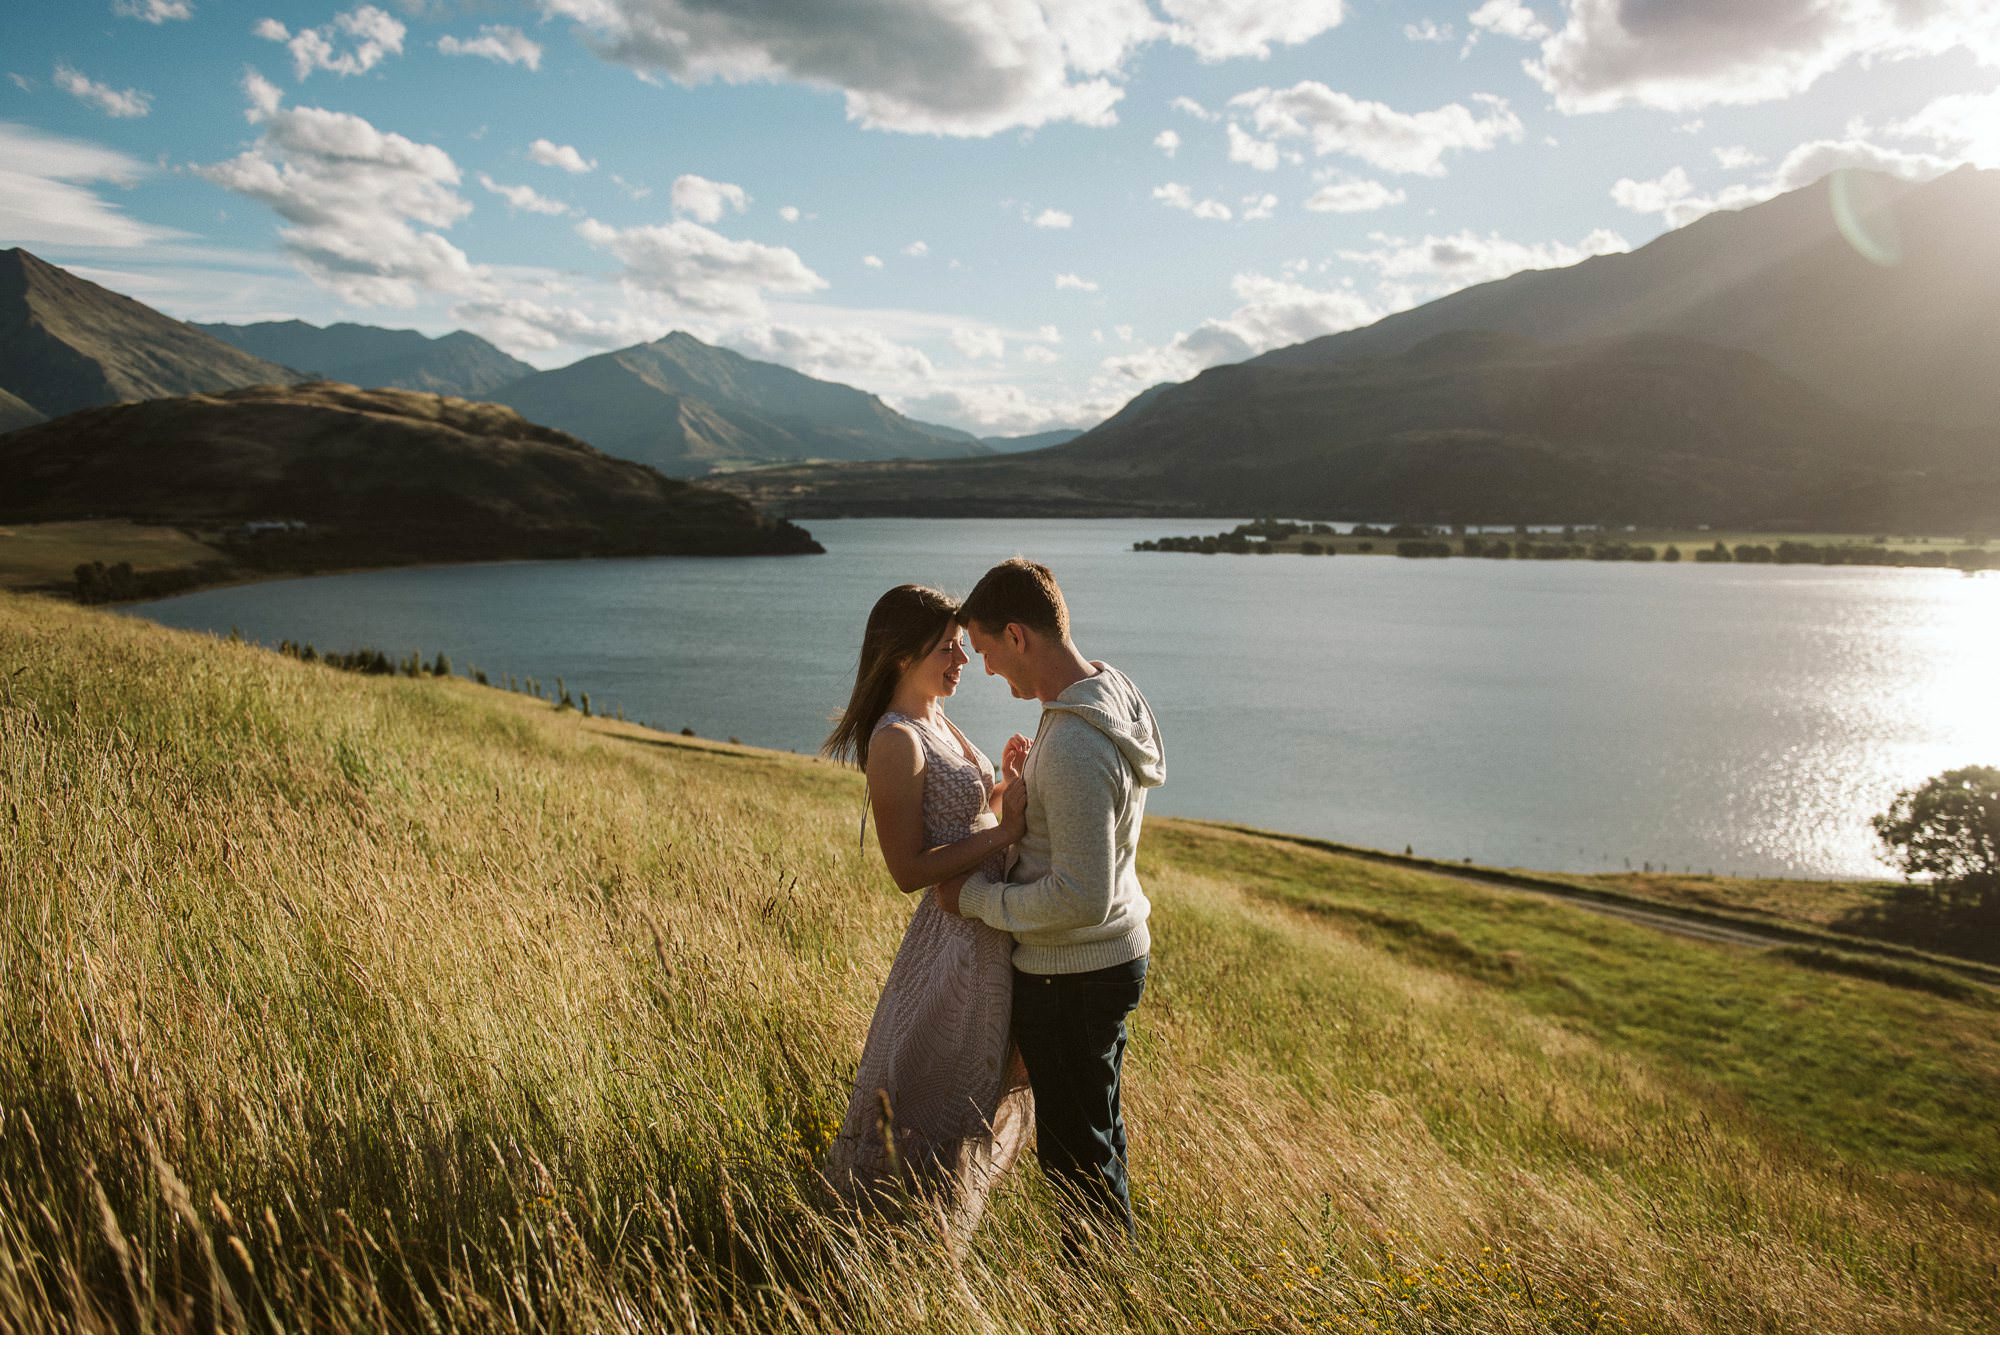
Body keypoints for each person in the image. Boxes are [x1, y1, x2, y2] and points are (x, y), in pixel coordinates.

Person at [935, 557, 1165, 1256]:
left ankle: (1099, 1300)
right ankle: (1116, 1284)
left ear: (1016, 634)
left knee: (1075, 1159)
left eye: (986, 653)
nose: (989, 672)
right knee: (1099, 1133)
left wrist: (978, 898)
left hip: (1073, 975)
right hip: (1109, 959)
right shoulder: (1108, 694)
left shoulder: (1072, 743)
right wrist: (1024, 778)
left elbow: (1078, 894)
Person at [820, 584, 1034, 1238]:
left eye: (960, 646)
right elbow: (907, 868)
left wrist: (1001, 784)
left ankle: (927, 1246)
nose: (962, 659)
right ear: (902, 653)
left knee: (973, 1091)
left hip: (986, 929)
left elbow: (966, 817)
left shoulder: (936, 716)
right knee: (934, 1096)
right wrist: (1005, 832)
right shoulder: (896, 739)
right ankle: (879, 1245)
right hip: (953, 946)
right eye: (947, 646)